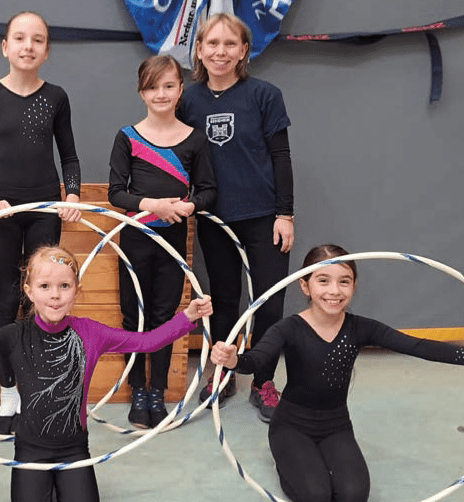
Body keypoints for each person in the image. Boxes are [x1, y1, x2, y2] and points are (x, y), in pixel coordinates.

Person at [0, 246, 212, 502]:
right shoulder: (15, 334)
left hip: (74, 447)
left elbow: (146, 342)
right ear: (29, 291)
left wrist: (187, 316)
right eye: (45, 286)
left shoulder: (92, 333)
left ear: (76, 290)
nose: (54, 295)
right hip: (30, 447)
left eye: (64, 286)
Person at [210, 244, 464, 502]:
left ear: (354, 286)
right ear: (304, 285)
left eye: (344, 281)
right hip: (290, 426)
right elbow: (256, 360)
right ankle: (287, 458)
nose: (334, 291)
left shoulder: (362, 328)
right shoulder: (288, 328)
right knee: (316, 495)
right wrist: (233, 360)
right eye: (323, 280)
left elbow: (421, 347)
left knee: (353, 495)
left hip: (336, 425)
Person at [0, 11, 83, 434]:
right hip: (4, 212)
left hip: (45, 210)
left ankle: (40, 392)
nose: (28, 46)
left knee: (44, 303)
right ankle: (9, 394)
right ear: (5, 46)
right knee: (7, 299)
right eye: (20, 38)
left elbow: (69, 157)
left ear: (46, 50)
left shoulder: (56, 97)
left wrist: (71, 195)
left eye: (37, 40)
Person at [177, 13, 294, 421]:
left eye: (230, 44)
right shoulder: (187, 100)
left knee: (269, 301)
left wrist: (285, 214)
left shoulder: (265, 95)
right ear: (199, 50)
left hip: (263, 214)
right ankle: (223, 373)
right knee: (225, 299)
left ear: (244, 50)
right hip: (215, 217)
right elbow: (180, 159)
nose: (220, 52)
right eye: (212, 44)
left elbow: (280, 156)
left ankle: (263, 380)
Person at [107, 55, 216, 428]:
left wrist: (187, 207)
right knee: (134, 316)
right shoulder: (128, 137)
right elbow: (116, 194)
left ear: (180, 90)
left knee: (165, 316)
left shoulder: (194, 140)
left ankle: (158, 391)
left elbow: (208, 191)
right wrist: (151, 204)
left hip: (173, 242)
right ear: (142, 92)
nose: (161, 93)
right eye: (153, 87)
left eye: (169, 85)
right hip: (135, 240)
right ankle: (137, 391)